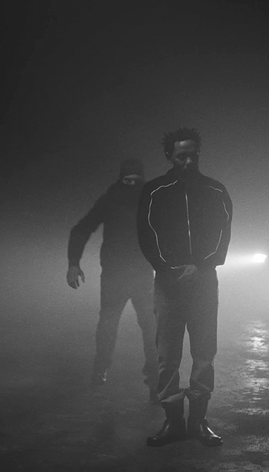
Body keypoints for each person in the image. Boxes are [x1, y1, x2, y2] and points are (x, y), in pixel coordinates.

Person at [137, 127, 232, 447]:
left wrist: (202, 265)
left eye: (193, 155)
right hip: (168, 282)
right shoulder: (154, 191)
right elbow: (146, 235)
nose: (189, 161)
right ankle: (174, 423)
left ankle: (197, 422)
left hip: (204, 281)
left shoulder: (215, 190)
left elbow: (224, 233)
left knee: (204, 353)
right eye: (181, 156)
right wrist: (166, 267)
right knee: (167, 355)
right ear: (169, 156)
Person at [66, 158, 159, 401]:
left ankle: (154, 379)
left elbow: (168, 233)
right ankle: (102, 368)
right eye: (126, 180)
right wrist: (73, 263)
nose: (130, 184)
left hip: (138, 274)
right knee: (110, 325)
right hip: (118, 274)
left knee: (149, 328)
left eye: (134, 180)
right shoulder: (118, 198)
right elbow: (82, 229)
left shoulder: (143, 199)